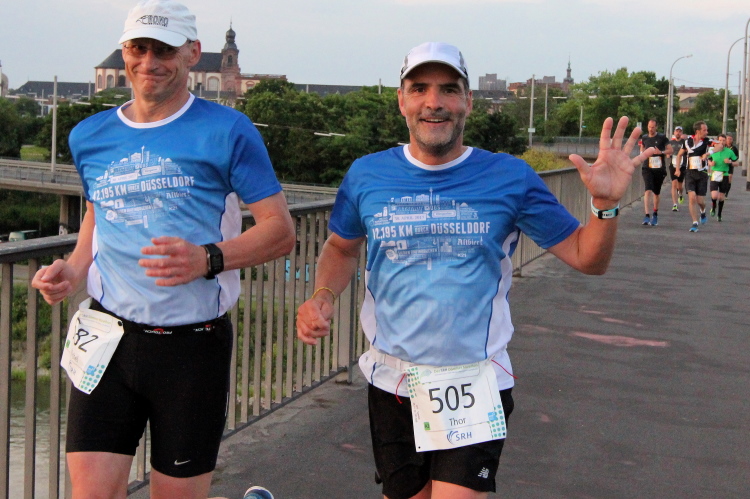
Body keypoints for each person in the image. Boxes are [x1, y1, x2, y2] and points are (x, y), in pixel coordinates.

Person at [296, 42, 655, 499]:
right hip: (392, 381)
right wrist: (322, 295)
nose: (434, 102)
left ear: (467, 101)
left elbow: (589, 258)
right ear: (402, 100)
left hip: (474, 380)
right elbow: (341, 248)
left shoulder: (509, 177)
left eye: (449, 89)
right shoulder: (367, 175)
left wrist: (603, 204)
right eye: (419, 89)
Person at [31, 1, 293, 498]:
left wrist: (208, 258)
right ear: (124, 51)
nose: (149, 62)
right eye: (139, 48)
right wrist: (73, 267)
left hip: (191, 348)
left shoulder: (228, 130)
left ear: (193, 53)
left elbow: (280, 231)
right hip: (106, 338)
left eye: (164, 50)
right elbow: (99, 211)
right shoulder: (89, 135)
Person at [677, 121, 711, 233]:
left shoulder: (707, 141)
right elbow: (679, 155)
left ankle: (703, 211)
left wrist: (708, 154)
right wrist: (677, 169)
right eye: (704, 130)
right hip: (690, 173)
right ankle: (695, 222)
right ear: (697, 131)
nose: (707, 132)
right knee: (692, 197)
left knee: (700, 201)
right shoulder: (687, 142)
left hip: (702, 174)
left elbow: (719, 146)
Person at [639, 119, 672, 225]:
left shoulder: (662, 137)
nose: (651, 129)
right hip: (647, 168)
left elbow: (670, 150)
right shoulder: (644, 137)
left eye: (653, 127)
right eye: (649, 127)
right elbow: (642, 148)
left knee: (656, 193)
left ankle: (655, 213)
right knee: (648, 190)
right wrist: (642, 154)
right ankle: (646, 215)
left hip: (659, 169)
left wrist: (661, 152)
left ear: (656, 127)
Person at [708, 134, 738, 222]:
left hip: (724, 175)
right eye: (720, 140)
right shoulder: (712, 150)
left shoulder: (729, 151)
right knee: (714, 195)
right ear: (717, 141)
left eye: (723, 140)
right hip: (715, 174)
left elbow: (737, 163)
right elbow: (708, 159)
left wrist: (730, 162)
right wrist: (711, 163)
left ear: (725, 141)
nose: (721, 142)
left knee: (721, 197)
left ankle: (719, 214)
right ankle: (713, 206)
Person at [668, 125, 687, 211]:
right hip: (673, 164)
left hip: (682, 165)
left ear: (682, 133)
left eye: (680, 131)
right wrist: (668, 154)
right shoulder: (671, 142)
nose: (678, 133)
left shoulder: (685, 143)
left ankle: (680, 194)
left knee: (680, 186)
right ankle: (674, 204)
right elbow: (667, 152)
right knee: (674, 184)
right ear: (674, 132)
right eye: (677, 131)